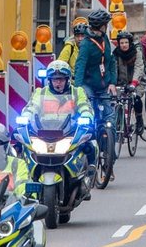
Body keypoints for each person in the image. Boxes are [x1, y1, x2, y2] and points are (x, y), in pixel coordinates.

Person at [21, 60, 96, 192]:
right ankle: (23, 178)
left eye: (61, 79)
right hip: (43, 132)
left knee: (90, 145)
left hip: (69, 131)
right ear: (49, 80)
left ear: (67, 80)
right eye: (55, 79)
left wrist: (86, 116)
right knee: (21, 145)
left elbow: (85, 106)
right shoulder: (41, 93)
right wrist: (26, 115)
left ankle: (89, 174)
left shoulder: (77, 92)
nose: (58, 83)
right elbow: (32, 106)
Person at [73, 9, 118, 170]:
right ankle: (88, 151)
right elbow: (79, 67)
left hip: (104, 85)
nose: (108, 27)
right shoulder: (86, 44)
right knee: (89, 117)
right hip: (88, 85)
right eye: (106, 25)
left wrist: (112, 82)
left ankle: (110, 154)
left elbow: (111, 62)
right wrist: (78, 90)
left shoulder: (104, 38)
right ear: (101, 26)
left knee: (110, 120)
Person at [113, 31, 146, 135]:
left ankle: (139, 119)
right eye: (121, 43)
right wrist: (113, 83)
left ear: (130, 43)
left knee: (136, 98)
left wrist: (134, 83)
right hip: (121, 82)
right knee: (117, 100)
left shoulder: (137, 52)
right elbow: (113, 69)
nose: (124, 45)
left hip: (137, 81)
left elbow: (139, 68)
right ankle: (120, 121)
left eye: (126, 42)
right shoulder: (115, 54)